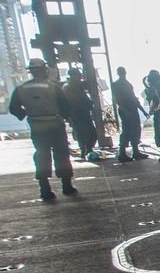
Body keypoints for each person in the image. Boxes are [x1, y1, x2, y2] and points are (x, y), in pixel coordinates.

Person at [8, 58, 76, 199]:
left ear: (32, 72)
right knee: (62, 155)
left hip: (37, 126)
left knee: (42, 155)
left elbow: (13, 108)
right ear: (44, 70)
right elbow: (66, 107)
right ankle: (66, 186)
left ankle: (45, 189)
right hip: (54, 124)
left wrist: (27, 113)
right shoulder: (53, 87)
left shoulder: (21, 89)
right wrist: (64, 116)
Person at [110, 66, 149, 162]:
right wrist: (125, 111)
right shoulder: (116, 84)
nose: (123, 73)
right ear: (118, 73)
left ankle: (136, 152)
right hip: (126, 110)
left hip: (133, 109)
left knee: (136, 129)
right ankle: (122, 153)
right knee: (127, 131)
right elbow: (117, 99)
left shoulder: (128, 84)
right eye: (121, 72)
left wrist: (143, 111)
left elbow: (134, 98)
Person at [63, 67, 98, 158]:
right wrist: (89, 104)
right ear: (73, 75)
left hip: (73, 113)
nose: (80, 77)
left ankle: (83, 149)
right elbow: (78, 99)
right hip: (80, 111)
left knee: (80, 132)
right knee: (90, 131)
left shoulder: (66, 86)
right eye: (78, 75)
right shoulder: (73, 86)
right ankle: (88, 149)